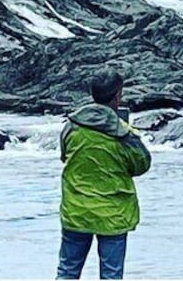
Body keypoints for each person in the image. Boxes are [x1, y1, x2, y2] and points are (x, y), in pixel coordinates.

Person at [56, 69, 152, 279]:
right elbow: (142, 165)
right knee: (111, 275)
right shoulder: (124, 134)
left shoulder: (72, 126)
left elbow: (65, 156)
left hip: (76, 210)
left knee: (67, 272)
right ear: (118, 96)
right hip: (113, 214)